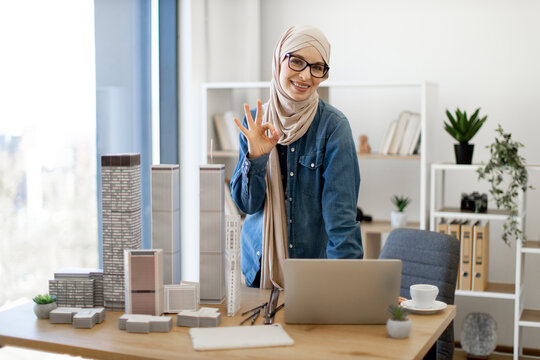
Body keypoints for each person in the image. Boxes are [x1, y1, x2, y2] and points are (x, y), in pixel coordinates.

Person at [230, 25, 363, 289]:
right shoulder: (255, 122)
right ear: (279, 58)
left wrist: (348, 288)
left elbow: (341, 220)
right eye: (297, 61)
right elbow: (248, 205)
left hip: (312, 275)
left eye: (317, 67)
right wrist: (255, 158)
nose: (305, 75)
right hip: (258, 271)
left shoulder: (333, 127)